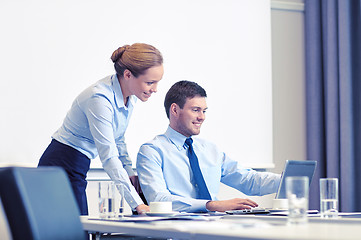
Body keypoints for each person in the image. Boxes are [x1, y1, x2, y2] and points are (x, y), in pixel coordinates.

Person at [38, 43, 164, 215]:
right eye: (150, 82)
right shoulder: (100, 98)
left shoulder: (129, 97)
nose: (155, 89)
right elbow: (109, 156)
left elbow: (118, 139)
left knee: (80, 230)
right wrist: (137, 204)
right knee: (75, 231)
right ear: (128, 75)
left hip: (78, 164)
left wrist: (129, 173)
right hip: (60, 163)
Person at [136, 80, 281, 213]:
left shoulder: (210, 149)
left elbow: (248, 180)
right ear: (174, 110)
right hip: (177, 230)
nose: (202, 117)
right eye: (195, 110)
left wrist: (288, 178)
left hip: (215, 226)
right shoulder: (152, 151)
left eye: (204, 111)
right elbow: (159, 200)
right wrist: (212, 205)